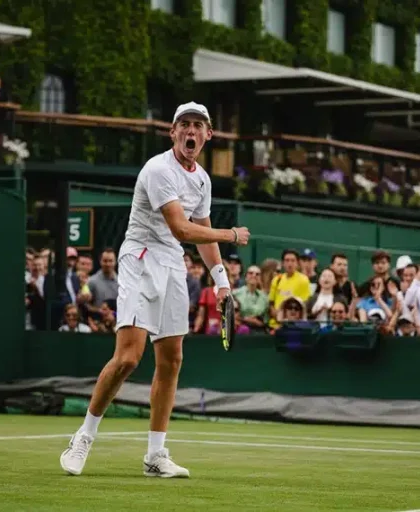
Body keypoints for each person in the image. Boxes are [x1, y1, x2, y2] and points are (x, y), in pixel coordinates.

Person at [59, 102, 250, 478]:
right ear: (173, 132)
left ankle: (155, 455)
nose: (191, 131)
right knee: (129, 357)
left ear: (208, 135)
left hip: (172, 264)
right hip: (140, 258)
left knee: (172, 360)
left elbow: (200, 234)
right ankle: (83, 435)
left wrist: (223, 283)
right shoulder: (159, 169)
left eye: (198, 126)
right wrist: (231, 234)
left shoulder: (202, 180)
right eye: (184, 125)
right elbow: (183, 229)